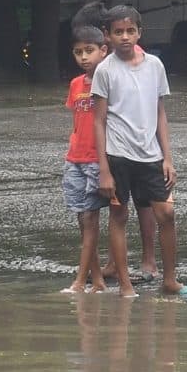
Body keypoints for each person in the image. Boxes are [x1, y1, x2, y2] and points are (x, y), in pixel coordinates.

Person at [93, 5, 187, 294]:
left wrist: (167, 158)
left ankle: (169, 279)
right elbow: (98, 121)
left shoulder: (154, 65)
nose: (125, 37)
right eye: (118, 32)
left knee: (166, 214)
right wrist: (104, 170)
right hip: (118, 155)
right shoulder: (104, 70)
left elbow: (159, 112)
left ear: (139, 32)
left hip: (151, 155)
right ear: (107, 36)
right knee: (119, 216)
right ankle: (124, 284)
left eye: (130, 31)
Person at [62, 25, 127, 293]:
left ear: (103, 50)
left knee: (91, 219)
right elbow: (77, 120)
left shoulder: (112, 80)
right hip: (75, 158)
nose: (84, 57)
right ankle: (97, 278)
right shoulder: (76, 84)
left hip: (97, 159)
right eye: (78, 52)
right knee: (83, 220)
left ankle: (80, 281)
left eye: (89, 51)